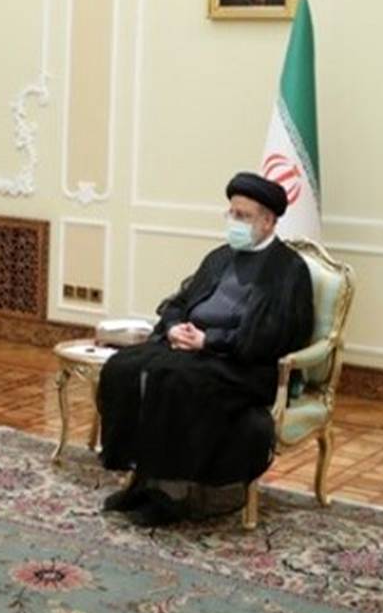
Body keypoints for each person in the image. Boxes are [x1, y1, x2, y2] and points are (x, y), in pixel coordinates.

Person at [96, 172, 314, 526]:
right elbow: (180, 301)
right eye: (231, 213)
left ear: (268, 221)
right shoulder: (219, 257)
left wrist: (209, 341)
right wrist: (174, 328)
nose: (234, 222)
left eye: (243, 216)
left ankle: (171, 494)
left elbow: (272, 335)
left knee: (172, 380)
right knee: (123, 367)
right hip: (192, 350)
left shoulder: (288, 270)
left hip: (242, 364)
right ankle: (139, 479)